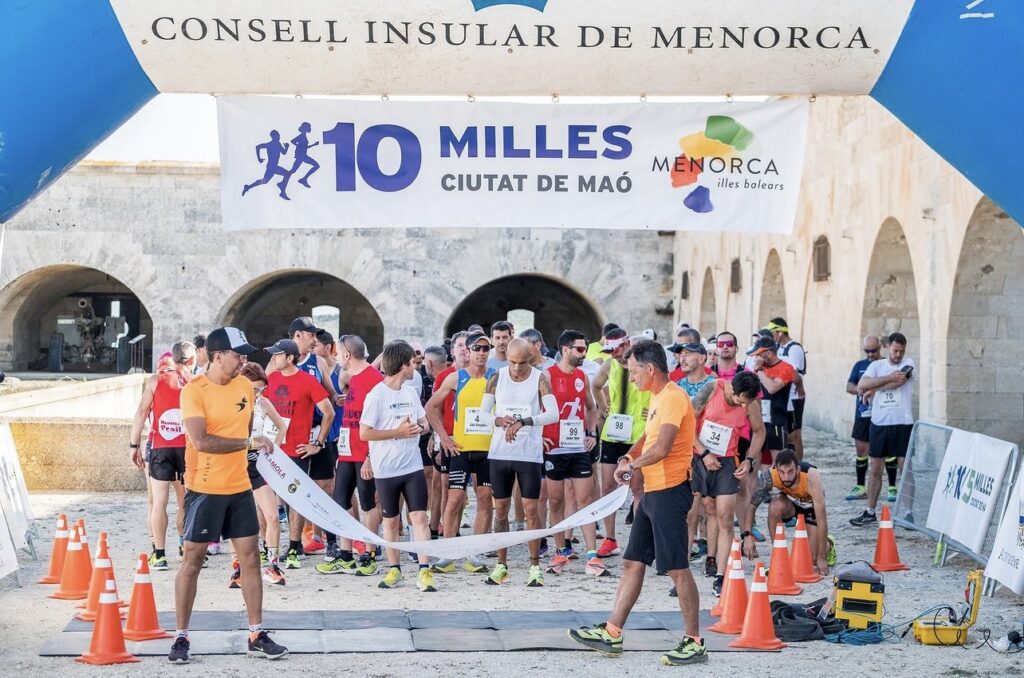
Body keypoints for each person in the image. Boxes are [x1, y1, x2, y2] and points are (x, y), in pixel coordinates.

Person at [569, 339, 707, 666]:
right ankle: (613, 631)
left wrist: (630, 466)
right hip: (651, 493)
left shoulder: (673, 398)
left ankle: (694, 641)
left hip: (671, 491)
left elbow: (663, 448)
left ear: (650, 369)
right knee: (632, 562)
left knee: (677, 568)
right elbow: (649, 438)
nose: (631, 378)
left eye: (633, 372)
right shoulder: (658, 398)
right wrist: (629, 456)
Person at [171, 327, 287, 663]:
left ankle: (256, 632)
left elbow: (247, 427)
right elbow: (203, 441)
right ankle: (181, 636)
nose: (244, 360)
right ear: (218, 356)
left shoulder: (243, 388)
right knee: (192, 561)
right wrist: (249, 444)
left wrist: (251, 448)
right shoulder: (194, 391)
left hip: (239, 486)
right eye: (239, 355)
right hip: (205, 488)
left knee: (251, 558)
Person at [479, 338, 558, 586]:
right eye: (512, 362)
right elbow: (481, 414)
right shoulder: (496, 377)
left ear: (531, 360)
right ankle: (501, 565)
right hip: (500, 453)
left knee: (531, 509)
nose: (516, 368)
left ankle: (534, 565)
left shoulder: (539, 377)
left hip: (528, 453)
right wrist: (498, 420)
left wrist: (524, 421)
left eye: (522, 363)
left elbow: (553, 413)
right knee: (500, 508)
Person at [359, 340, 437, 592]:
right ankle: (395, 570)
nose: (417, 366)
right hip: (386, 469)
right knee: (391, 521)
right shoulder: (376, 395)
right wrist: (398, 432)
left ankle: (425, 571)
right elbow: (364, 434)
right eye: (413, 362)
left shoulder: (410, 392)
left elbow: (424, 422)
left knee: (419, 517)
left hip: (411, 466)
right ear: (404, 365)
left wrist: (421, 428)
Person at [688, 371, 765, 597]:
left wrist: (749, 460)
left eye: (747, 403)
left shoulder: (750, 404)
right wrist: (703, 452)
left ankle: (721, 577)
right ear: (733, 390)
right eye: (742, 401)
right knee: (690, 515)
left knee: (724, 517)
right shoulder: (712, 389)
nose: (744, 407)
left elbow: (760, 432)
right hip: (697, 457)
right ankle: (682, 574)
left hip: (727, 461)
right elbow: (687, 422)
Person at [426, 330, 495, 573]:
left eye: (486, 349)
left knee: (485, 499)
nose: (481, 353)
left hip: (487, 450)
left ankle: (475, 554)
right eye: (477, 348)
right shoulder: (457, 378)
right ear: (468, 350)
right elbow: (430, 406)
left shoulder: (496, 378)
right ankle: (447, 554)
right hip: (461, 450)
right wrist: (443, 437)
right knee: (455, 499)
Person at [263, 339, 335, 570]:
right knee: (266, 500)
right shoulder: (271, 379)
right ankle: (269, 547)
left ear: (291, 358)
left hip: (296, 451)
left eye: (277, 355)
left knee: (296, 501)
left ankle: (295, 548)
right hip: (271, 450)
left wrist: (317, 443)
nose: (273, 358)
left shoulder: (307, 381)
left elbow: (329, 412)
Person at [316, 334, 384, 575]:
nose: (335, 357)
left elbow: (381, 422)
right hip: (346, 451)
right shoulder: (353, 378)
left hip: (364, 453)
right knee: (340, 501)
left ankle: (370, 553)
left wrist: (369, 457)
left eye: (338, 353)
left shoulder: (375, 380)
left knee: (367, 503)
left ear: (347, 355)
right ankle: (345, 555)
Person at [543, 330, 608, 576]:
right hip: (555, 448)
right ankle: (560, 552)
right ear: (565, 349)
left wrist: (591, 434)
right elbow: (535, 408)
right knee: (556, 501)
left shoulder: (582, 375)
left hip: (578, 446)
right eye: (579, 349)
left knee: (585, 500)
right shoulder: (547, 376)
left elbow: (591, 408)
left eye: (585, 348)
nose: (584, 353)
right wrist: (540, 436)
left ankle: (592, 555)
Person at [129, 341, 196, 571]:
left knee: (159, 502)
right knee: (185, 501)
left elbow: (141, 412)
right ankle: (185, 548)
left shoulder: (156, 380)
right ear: (191, 361)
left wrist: (134, 444)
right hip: (187, 448)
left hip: (160, 447)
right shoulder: (195, 382)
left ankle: (159, 554)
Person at [282, 316, 342, 557]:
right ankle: (294, 544)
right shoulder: (280, 360)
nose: (314, 339)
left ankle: (332, 541)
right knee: (292, 491)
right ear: (297, 335)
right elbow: (265, 391)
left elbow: (331, 393)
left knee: (325, 487)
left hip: (320, 433)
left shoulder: (318, 361)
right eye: (310, 335)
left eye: (316, 335)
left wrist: (341, 398)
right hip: (293, 437)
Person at [592, 328, 650, 557]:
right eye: (608, 350)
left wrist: (653, 408)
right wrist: (602, 405)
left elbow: (661, 386)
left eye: (615, 350)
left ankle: (638, 541)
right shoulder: (609, 365)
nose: (613, 354)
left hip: (637, 434)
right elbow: (595, 385)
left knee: (637, 488)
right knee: (607, 487)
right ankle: (610, 538)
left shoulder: (644, 363)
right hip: (613, 433)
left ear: (626, 345)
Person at [851, 332, 916, 526]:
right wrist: (883, 379)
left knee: (905, 468)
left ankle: (908, 512)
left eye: (901, 351)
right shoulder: (876, 366)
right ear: (887, 347)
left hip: (902, 423)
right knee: (876, 468)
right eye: (895, 350)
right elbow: (862, 384)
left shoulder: (909, 363)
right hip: (880, 423)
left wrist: (875, 388)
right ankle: (870, 511)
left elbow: (900, 381)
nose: (898, 355)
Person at [239, 362, 289, 586]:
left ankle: (272, 565)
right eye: (254, 389)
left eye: (261, 390)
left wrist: (271, 450)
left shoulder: (263, 403)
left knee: (272, 515)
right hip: (237, 464)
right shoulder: (235, 403)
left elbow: (282, 426)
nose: (258, 394)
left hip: (258, 465)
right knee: (239, 520)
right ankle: (237, 568)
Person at [744, 449, 832, 575]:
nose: (786, 477)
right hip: (790, 504)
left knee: (812, 560)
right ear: (776, 469)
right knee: (774, 506)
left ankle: (829, 544)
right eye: (782, 472)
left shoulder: (811, 477)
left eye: (790, 472)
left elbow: (822, 520)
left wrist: (821, 558)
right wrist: (747, 536)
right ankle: (778, 556)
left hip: (810, 508)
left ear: (797, 469)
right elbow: (752, 506)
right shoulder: (770, 476)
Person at [747, 336, 796, 464]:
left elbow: (772, 388)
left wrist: (759, 369)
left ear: (768, 353)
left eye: (759, 355)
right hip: (758, 419)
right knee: (754, 461)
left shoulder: (786, 368)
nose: (756, 358)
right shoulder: (760, 368)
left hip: (776, 421)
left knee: (778, 462)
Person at [845, 335, 882, 501]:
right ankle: (860, 486)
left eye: (873, 350)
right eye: (867, 351)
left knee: (885, 452)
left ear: (880, 348)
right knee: (861, 450)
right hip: (863, 413)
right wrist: (859, 389)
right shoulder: (859, 365)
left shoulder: (885, 364)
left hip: (882, 414)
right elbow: (849, 386)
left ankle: (894, 487)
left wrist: (874, 388)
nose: (871, 354)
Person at [766, 319, 807, 461]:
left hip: (794, 397)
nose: (770, 335)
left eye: (772, 332)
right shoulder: (778, 347)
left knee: (795, 434)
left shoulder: (794, 348)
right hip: (783, 397)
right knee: (787, 433)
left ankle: (799, 466)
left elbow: (793, 374)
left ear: (780, 332)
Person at [421, 345, 449, 536]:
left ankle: (444, 526)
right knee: (438, 483)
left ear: (429, 363)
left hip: (445, 438)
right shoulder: (453, 375)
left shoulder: (444, 379)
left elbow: (440, 412)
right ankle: (435, 524)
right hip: (444, 436)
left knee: (443, 485)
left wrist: (437, 438)